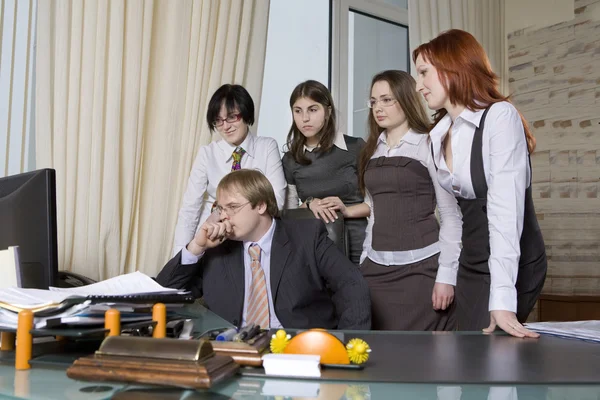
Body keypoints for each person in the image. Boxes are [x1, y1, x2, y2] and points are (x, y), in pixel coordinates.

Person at [413, 29, 547, 338]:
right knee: (473, 352)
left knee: (494, 351)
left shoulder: (500, 118)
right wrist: (447, 274)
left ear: (452, 67)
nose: (418, 86)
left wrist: (502, 298)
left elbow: (505, 214)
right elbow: (451, 217)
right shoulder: (436, 137)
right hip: (472, 264)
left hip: (515, 260)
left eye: (424, 73)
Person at [323, 70, 462, 331]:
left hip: (423, 270)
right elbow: (375, 209)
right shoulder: (371, 150)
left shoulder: (429, 143)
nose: (378, 108)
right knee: (378, 355)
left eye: (387, 100)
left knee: (427, 359)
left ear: (406, 98)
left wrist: (447, 275)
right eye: (374, 101)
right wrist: (364, 258)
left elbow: (451, 215)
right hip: (376, 270)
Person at [157, 169, 371, 330]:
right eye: (220, 208)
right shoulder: (217, 247)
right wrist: (196, 247)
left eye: (232, 207)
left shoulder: (307, 236)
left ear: (260, 205)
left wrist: (347, 349)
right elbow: (161, 296)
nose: (223, 216)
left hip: (298, 352)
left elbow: (352, 284)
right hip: (232, 353)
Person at [172, 84, 286, 255]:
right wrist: (180, 257)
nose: (225, 126)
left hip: (253, 236)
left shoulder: (267, 147)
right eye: (218, 120)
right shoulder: (207, 154)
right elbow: (190, 208)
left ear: (246, 115)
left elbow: (276, 201)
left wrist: (231, 214)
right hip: (214, 236)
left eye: (232, 117)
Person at [282, 80, 367, 264]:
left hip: (361, 248)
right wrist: (309, 204)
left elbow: (377, 204)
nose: (304, 118)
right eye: (298, 111)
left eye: (313, 110)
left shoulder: (355, 147)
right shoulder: (290, 160)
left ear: (328, 111)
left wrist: (346, 210)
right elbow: (289, 214)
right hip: (314, 250)